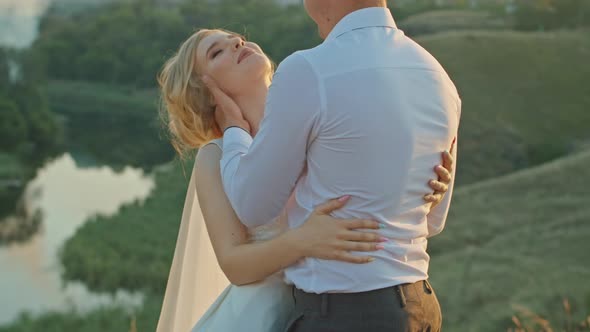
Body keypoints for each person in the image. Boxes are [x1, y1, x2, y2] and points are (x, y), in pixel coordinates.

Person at [155, 26, 455, 332]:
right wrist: (301, 241)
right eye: (216, 52)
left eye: (238, 39)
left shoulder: (313, 115)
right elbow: (234, 264)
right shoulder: (215, 158)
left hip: (355, 301)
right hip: (266, 316)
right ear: (204, 93)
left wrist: (427, 186)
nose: (236, 42)